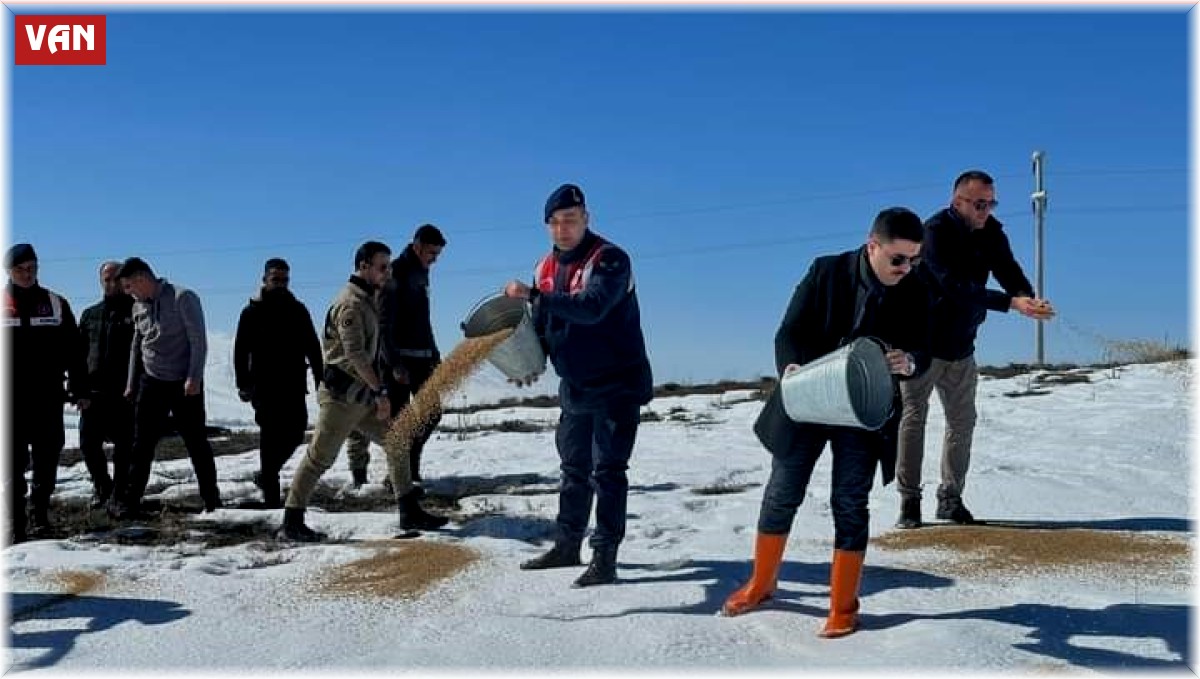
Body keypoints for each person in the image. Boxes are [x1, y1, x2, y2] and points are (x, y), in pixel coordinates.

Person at [721, 207, 932, 638]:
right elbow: (788, 331)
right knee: (782, 492)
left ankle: (843, 606)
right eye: (898, 259)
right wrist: (793, 370)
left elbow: (924, 345)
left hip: (864, 410)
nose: (906, 268)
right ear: (873, 246)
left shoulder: (914, 287)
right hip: (809, 398)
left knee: (850, 501)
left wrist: (908, 361)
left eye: (915, 259)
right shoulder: (826, 271)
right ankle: (761, 584)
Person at [503, 183, 653, 588]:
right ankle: (567, 545)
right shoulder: (544, 268)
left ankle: (605, 556)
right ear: (547, 225)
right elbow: (542, 326)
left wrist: (533, 295)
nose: (563, 228)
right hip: (576, 387)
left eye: (571, 219)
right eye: (555, 222)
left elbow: (593, 307)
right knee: (573, 470)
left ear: (586, 218)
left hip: (617, 383)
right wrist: (528, 361)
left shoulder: (609, 260)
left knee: (608, 471)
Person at [894, 171, 1055, 529]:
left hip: (961, 344)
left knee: (962, 422)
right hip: (920, 344)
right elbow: (954, 287)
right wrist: (1011, 303)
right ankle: (909, 501)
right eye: (980, 204)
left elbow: (1007, 269)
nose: (986, 211)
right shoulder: (932, 233)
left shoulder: (992, 232)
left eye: (991, 203)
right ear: (958, 203)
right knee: (914, 420)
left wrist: (1027, 297)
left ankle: (950, 498)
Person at [278, 241, 448, 541]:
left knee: (397, 440)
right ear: (363, 266)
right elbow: (354, 355)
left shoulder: (369, 298)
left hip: (362, 395)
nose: (387, 271)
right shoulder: (351, 304)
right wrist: (380, 391)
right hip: (342, 397)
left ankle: (409, 511)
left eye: (389, 265)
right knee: (319, 458)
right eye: (382, 266)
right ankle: (292, 521)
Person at [112, 257, 223, 517]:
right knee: (141, 445)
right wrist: (131, 383)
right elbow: (136, 346)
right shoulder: (137, 306)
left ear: (142, 278)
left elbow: (198, 341)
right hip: (151, 382)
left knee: (196, 442)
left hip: (184, 383)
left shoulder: (182, 297)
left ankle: (212, 500)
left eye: (129, 286)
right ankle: (131, 501)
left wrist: (194, 377)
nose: (128, 293)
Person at [346, 224, 447, 489]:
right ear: (417, 246)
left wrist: (434, 353)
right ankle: (400, 477)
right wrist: (395, 364)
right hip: (399, 361)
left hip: (422, 357)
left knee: (431, 412)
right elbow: (384, 324)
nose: (434, 259)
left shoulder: (422, 273)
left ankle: (409, 466)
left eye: (437, 254)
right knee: (400, 420)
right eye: (431, 253)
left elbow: (422, 320)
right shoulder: (396, 274)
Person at [4, 244, 89, 542]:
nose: (27, 274)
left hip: (47, 397)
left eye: (32, 268)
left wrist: (80, 388)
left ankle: (39, 515)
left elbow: (75, 351)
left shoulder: (55, 303)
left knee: (47, 459)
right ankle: (15, 523)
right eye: (20, 269)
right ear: (8, 271)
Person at [234, 258, 323, 508]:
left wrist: (320, 380)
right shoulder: (252, 312)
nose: (281, 284)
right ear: (264, 280)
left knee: (296, 432)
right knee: (270, 439)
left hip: (293, 383)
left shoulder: (298, 309)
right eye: (276, 279)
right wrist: (243, 382)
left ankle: (265, 475)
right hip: (264, 387)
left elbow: (312, 347)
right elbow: (240, 350)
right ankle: (271, 497)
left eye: (285, 279)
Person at [77, 260, 136, 510]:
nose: (112, 283)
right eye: (107, 279)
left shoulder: (137, 311)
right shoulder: (90, 314)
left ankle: (120, 494)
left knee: (124, 447)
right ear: (101, 281)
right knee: (88, 444)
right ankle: (103, 486)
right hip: (93, 392)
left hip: (125, 392)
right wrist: (78, 389)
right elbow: (78, 354)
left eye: (116, 278)